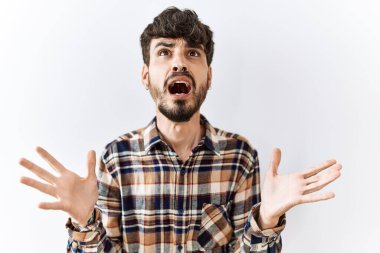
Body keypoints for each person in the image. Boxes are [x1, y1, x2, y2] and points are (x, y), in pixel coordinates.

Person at [19, 7, 342, 253]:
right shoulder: (116, 157)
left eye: (192, 53)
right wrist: (83, 221)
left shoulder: (239, 156)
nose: (178, 63)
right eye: (164, 51)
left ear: (209, 76)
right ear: (146, 75)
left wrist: (267, 220)